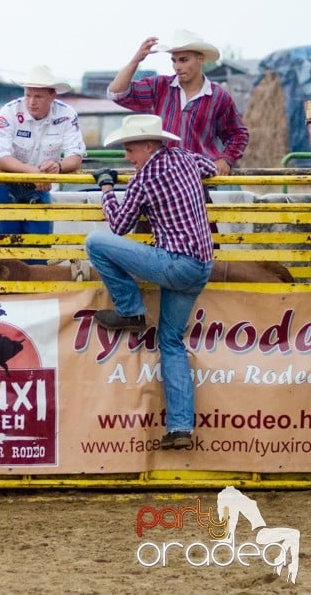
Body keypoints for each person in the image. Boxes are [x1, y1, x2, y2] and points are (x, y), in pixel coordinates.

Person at [84, 114, 216, 451]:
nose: (127, 157)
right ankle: (180, 428)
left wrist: (107, 187)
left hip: (175, 262)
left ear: (147, 145)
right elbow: (211, 168)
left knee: (95, 243)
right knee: (171, 342)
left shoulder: (145, 178)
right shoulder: (185, 157)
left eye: (130, 149)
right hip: (201, 265)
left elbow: (118, 224)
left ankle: (130, 309)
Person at [107, 30, 249, 176]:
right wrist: (136, 60)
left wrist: (226, 159)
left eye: (183, 60)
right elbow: (117, 94)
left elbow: (238, 134)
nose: (177, 66)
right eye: (174, 61)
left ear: (200, 59)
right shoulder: (160, 86)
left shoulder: (218, 97)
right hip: (161, 177)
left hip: (200, 179)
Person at [0, 65, 86, 263]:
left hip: (39, 187)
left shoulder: (67, 115)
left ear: (52, 95)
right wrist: (35, 173)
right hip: (5, 185)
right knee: (5, 248)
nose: (31, 102)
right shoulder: (10, 111)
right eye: (28, 95)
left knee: (39, 250)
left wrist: (59, 167)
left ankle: (32, 288)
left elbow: (76, 154)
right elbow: (0, 157)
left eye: (38, 96)